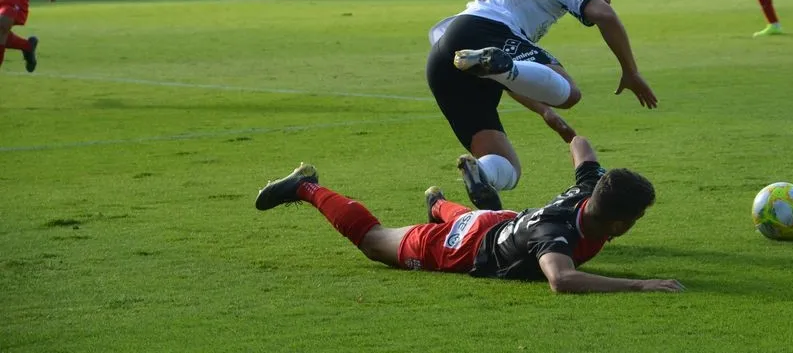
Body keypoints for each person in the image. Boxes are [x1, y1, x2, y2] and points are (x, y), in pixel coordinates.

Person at [254, 134, 684, 294]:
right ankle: (305, 186)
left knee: (480, 219)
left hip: (505, 225)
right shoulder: (558, 237)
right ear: (619, 224)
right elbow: (562, 279)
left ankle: (439, 205)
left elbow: (583, 146)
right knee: (374, 241)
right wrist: (639, 284)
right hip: (468, 246)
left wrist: (557, 120)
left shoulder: (591, 189)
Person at [426, 0, 657, 210]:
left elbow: (508, 77)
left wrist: (544, 111)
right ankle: (499, 63)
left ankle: (468, 182)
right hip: (482, 31)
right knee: (570, 93)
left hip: (445, 61)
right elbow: (604, 15)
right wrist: (631, 71)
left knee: (506, 167)